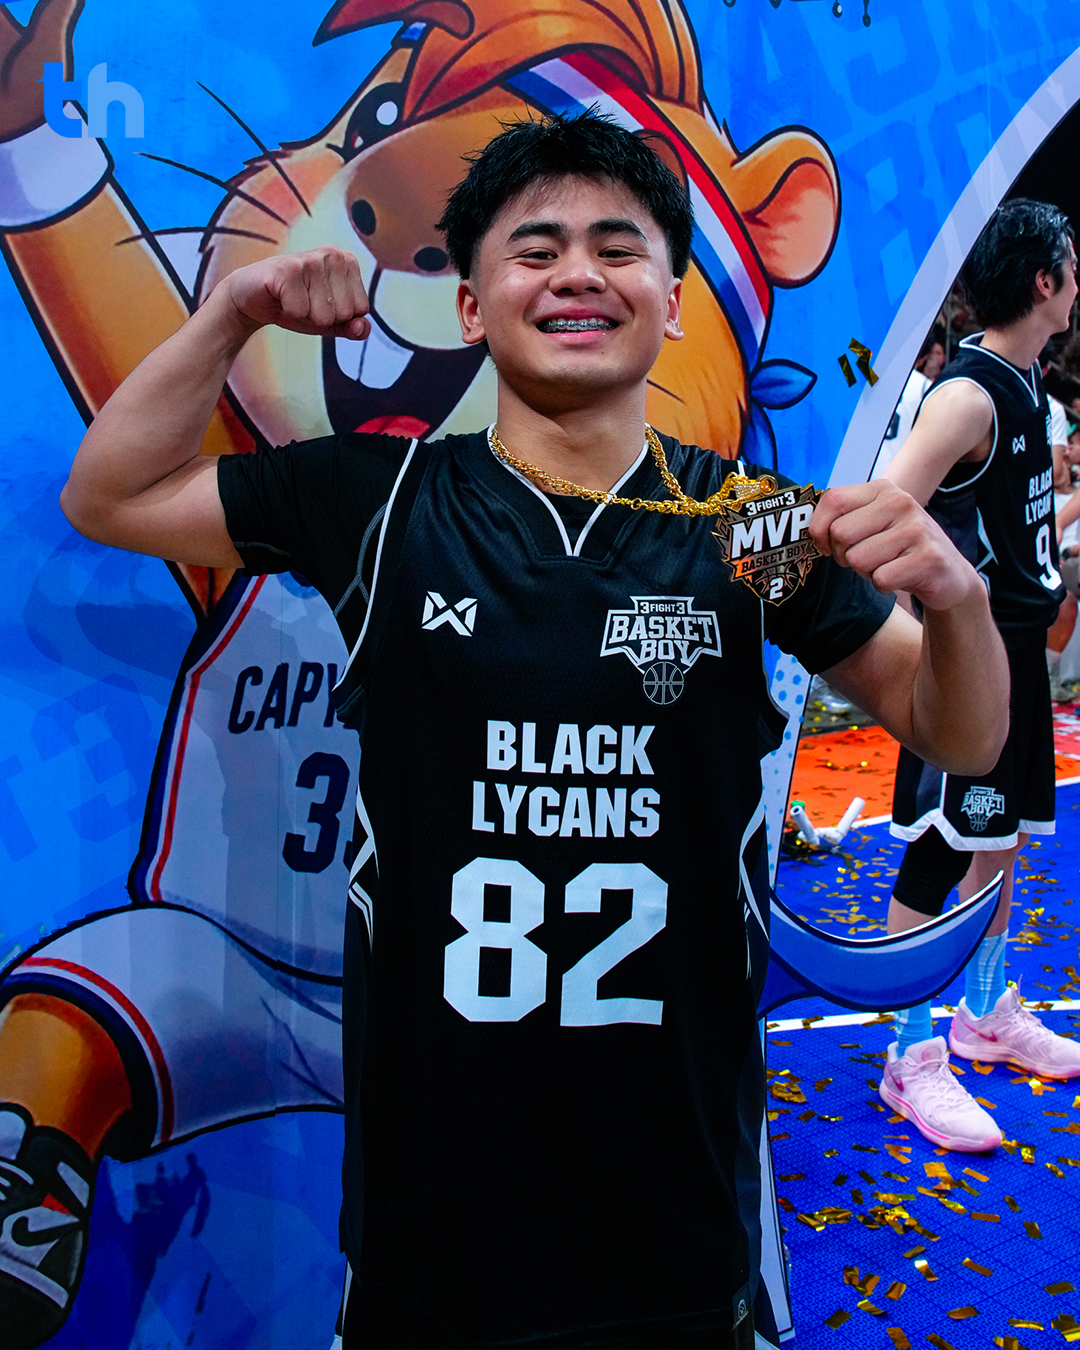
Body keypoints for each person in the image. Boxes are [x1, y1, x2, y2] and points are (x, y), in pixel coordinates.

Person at [54, 112, 1006, 1349]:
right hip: (430, 1215)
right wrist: (231, 316)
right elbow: (110, 492)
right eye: (535, 248)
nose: (577, 275)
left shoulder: (746, 524)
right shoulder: (383, 500)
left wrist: (960, 602)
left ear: (673, 301)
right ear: (468, 306)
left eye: (618, 247)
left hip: (673, 1208)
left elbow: (957, 734)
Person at [879, 198, 1080, 1155]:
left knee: (999, 845)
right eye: (1072, 267)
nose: (1079, 285)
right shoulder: (967, 397)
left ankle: (984, 1012)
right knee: (938, 849)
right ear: (1044, 281)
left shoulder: (1028, 383)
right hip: (970, 661)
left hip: (1021, 658)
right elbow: (882, 512)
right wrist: (920, 635)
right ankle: (908, 1052)